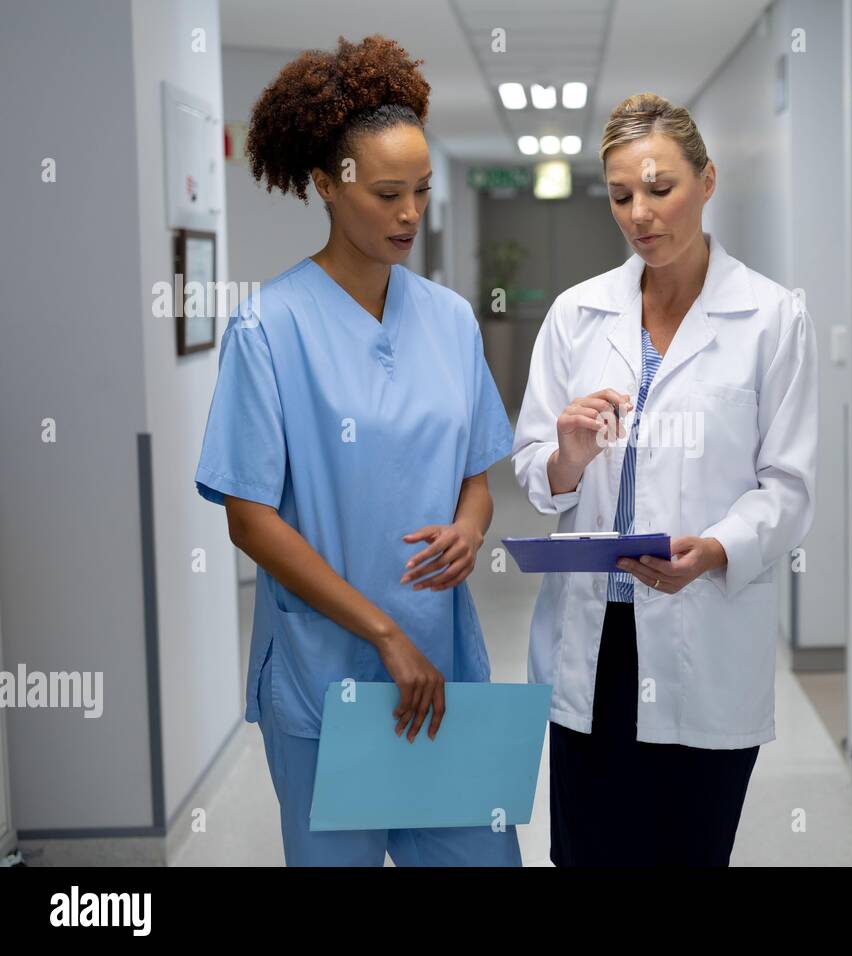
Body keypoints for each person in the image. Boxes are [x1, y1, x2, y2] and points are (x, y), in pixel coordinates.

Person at [194, 35, 518, 867]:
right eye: (386, 193)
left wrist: (471, 528)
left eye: (421, 191)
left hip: (439, 661)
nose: (410, 214)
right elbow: (248, 517)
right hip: (326, 670)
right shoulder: (270, 328)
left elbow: (474, 478)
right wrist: (382, 632)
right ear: (327, 188)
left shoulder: (447, 320)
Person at [512, 92, 819, 866]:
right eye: (622, 196)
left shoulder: (772, 318)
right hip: (595, 641)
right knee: (586, 856)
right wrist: (571, 451)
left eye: (661, 188)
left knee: (689, 852)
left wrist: (714, 550)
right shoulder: (576, 314)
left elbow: (788, 486)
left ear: (708, 181)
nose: (641, 213)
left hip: (703, 635)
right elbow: (535, 473)